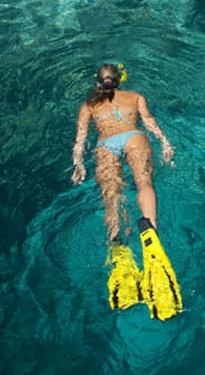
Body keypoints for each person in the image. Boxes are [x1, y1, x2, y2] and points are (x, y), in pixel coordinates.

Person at [72, 63, 174, 242]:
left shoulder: (88, 105)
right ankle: (151, 233)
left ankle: (116, 238)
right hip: (134, 137)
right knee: (144, 182)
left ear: (97, 82)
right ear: (119, 80)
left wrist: (78, 163)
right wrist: (166, 144)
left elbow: (81, 138)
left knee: (111, 193)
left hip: (105, 144)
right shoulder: (135, 97)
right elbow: (150, 123)